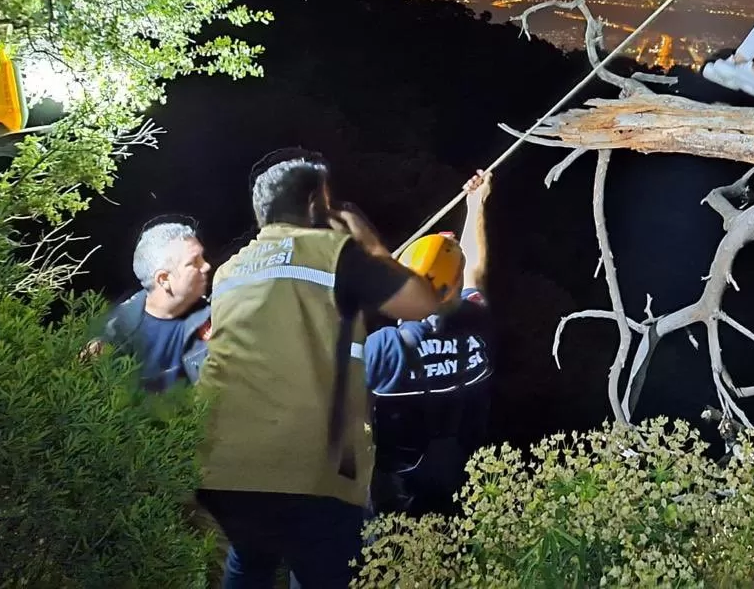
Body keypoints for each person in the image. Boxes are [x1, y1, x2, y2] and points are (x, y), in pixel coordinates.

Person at [196, 150, 460, 589]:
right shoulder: (334, 252)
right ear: (318, 205)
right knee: (326, 564)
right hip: (308, 470)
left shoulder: (230, 270)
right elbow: (420, 304)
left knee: (251, 560)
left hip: (224, 469)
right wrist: (371, 244)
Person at [364, 169, 495, 517]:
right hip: (458, 478)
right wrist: (476, 204)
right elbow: (474, 272)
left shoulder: (384, 349)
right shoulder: (478, 328)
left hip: (397, 489)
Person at [85, 220, 212, 392]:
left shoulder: (216, 312)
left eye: (202, 258)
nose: (206, 266)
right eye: (194, 262)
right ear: (164, 279)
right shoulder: (116, 336)